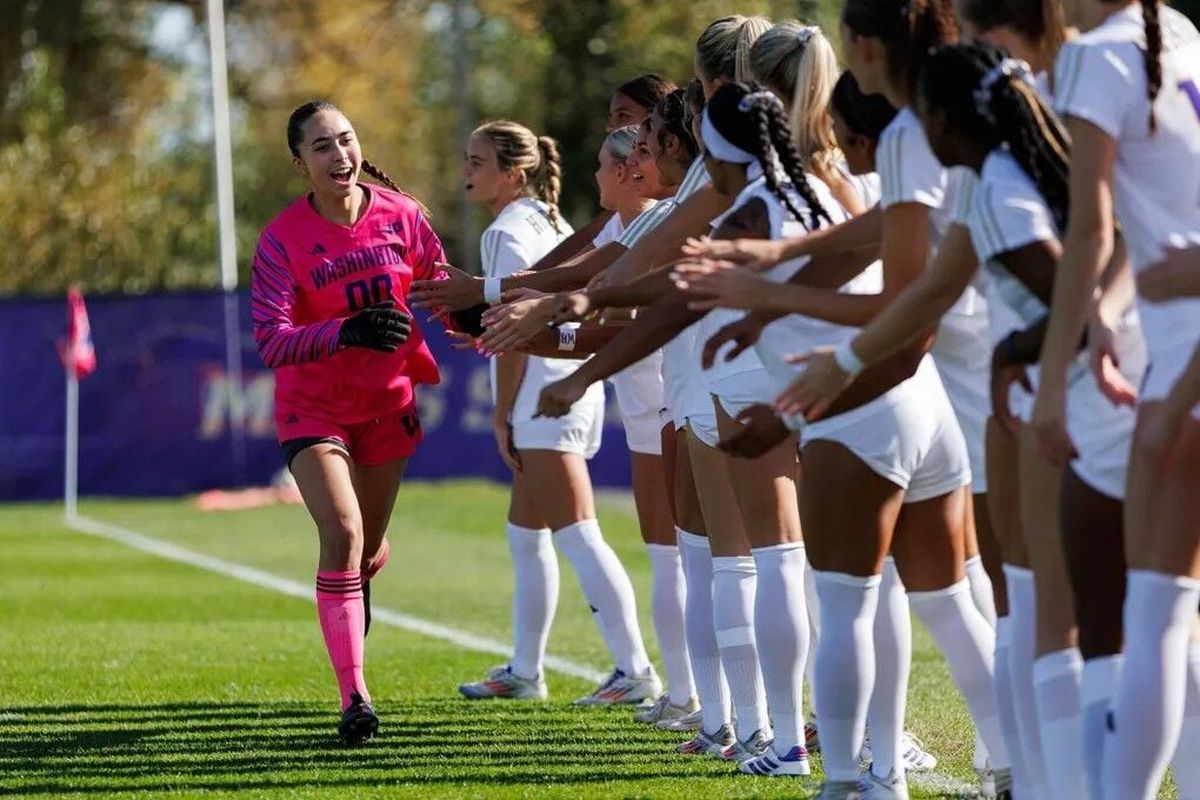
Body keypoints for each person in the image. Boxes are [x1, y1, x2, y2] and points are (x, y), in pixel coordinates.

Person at [1031, 1, 1200, 796]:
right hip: (1174, 346)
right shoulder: (1177, 33)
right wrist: (1109, 310)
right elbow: (1149, 222)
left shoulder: (1095, 55)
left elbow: (1093, 229)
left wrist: (1054, 377)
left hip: (1187, 358)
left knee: (1156, 620)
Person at [251, 99, 450, 745]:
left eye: (346, 140)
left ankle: (367, 556)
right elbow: (272, 341)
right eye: (321, 147)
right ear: (299, 163)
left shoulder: (405, 216)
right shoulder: (282, 239)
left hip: (388, 405)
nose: (339, 155)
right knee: (340, 531)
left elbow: (441, 288)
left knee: (361, 552)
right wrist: (347, 331)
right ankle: (355, 699)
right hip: (313, 410)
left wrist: (484, 320)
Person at [453, 120, 661, 706]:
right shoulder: (551, 220)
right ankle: (525, 669)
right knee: (526, 533)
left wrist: (502, 412)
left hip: (546, 393)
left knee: (577, 532)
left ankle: (636, 669)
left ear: (512, 173)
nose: (466, 173)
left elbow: (518, 325)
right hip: (570, 387)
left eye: (477, 162)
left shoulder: (506, 231)